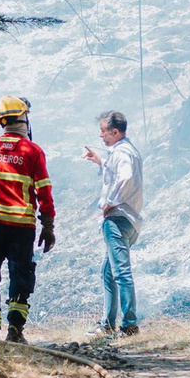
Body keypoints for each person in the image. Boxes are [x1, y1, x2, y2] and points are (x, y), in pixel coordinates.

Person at [0, 95, 56, 344]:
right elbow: (44, 192)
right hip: (22, 226)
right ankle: (16, 331)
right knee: (21, 274)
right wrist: (48, 225)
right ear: (23, 119)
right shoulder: (33, 151)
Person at [81, 110, 143, 337]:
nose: (101, 136)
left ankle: (129, 325)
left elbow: (124, 177)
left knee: (120, 273)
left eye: (103, 131)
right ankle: (107, 323)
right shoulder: (127, 150)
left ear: (115, 131)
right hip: (129, 219)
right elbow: (118, 172)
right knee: (109, 273)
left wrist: (110, 202)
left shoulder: (122, 152)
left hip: (117, 218)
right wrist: (100, 161)